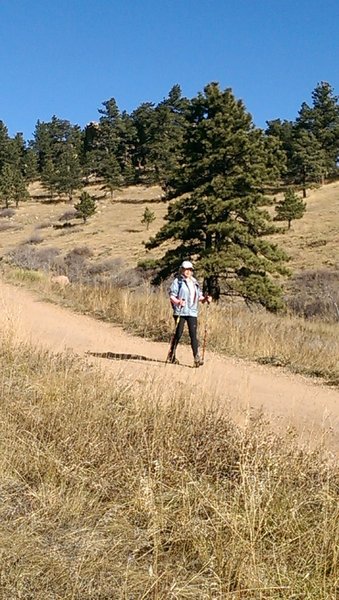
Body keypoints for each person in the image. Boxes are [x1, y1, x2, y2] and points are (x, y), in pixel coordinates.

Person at [167, 260, 212, 367]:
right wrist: (178, 302)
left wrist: (205, 299)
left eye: (189, 269)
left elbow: (199, 297)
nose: (187, 271)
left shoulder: (194, 282)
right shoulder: (177, 282)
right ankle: (171, 353)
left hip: (192, 311)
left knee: (193, 334)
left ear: (192, 271)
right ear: (182, 270)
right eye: (185, 269)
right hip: (180, 311)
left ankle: (196, 357)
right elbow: (172, 296)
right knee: (178, 333)